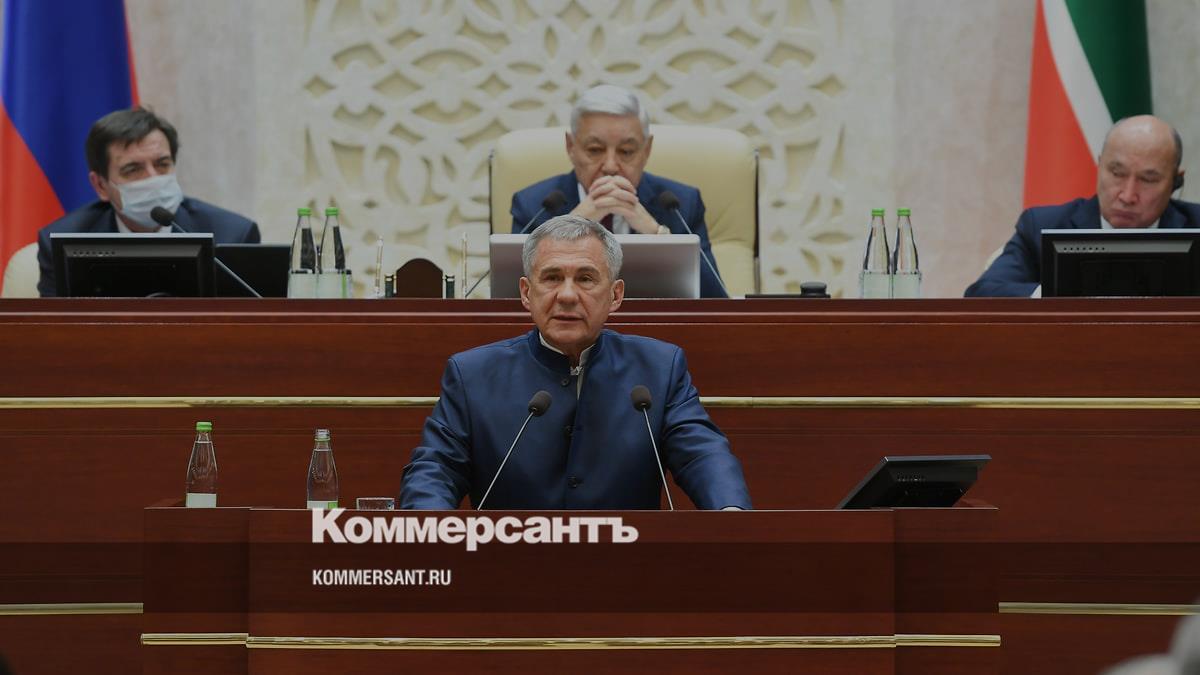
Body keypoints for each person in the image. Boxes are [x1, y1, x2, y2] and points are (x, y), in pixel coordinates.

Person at [400, 215, 751, 510]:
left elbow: (701, 454)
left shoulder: (658, 368)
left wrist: (729, 510)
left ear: (615, 295)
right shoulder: (473, 374)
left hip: (626, 562)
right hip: (509, 562)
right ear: (526, 293)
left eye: (585, 278)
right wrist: (430, 526)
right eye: (552, 278)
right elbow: (436, 467)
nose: (567, 295)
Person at [509, 85, 728, 298]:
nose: (611, 166)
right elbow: (510, 301)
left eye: (626, 151)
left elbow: (716, 302)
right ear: (570, 146)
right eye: (595, 150)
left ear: (647, 149)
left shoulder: (679, 204)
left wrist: (656, 234)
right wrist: (571, 224)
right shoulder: (534, 205)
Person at [966, 115, 1200, 297]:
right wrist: (1057, 296)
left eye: (1148, 180)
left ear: (1175, 182)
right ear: (1100, 165)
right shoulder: (1043, 226)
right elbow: (983, 294)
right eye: (1117, 173)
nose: (1127, 195)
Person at [36, 107, 259, 296]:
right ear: (101, 186)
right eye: (133, 169)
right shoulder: (63, 241)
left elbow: (248, 327)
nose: (152, 178)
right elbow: (54, 328)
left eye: (162, 164)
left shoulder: (233, 236)